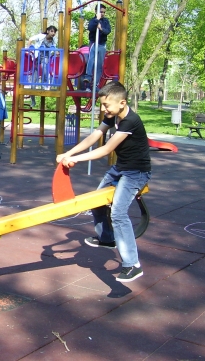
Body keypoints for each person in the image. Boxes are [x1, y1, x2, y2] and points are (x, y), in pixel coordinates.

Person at [55, 82, 151, 283]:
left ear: (122, 103)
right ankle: (107, 239)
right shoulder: (112, 116)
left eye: (107, 105)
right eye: (102, 105)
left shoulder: (130, 121)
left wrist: (75, 159)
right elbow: (95, 136)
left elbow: (106, 149)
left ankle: (132, 265)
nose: (104, 109)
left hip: (136, 173)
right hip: (120, 168)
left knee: (118, 213)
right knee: (96, 202)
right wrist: (68, 153)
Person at [28, 25, 58, 106]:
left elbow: (54, 49)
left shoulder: (54, 40)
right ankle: (33, 100)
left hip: (45, 57)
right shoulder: (41, 36)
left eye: (54, 32)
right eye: (52, 31)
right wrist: (29, 49)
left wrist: (56, 53)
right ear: (48, 31)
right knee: (33, 81)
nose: (53, 33)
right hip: (37, 56)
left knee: (44, 66)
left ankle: (44, 84)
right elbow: (30, 39)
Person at [85, 4, 111, 89]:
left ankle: (95, 84)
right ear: (96, 11)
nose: (102, 14)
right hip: (94, 42)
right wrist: (97, 20)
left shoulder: (105, 21)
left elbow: (108, 31)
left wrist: (101, 29)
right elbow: (90, 28)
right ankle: (88, 77)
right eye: (101, 12)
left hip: (102, 44)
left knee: (99, 65)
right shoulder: (93, 20)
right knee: (91, 60)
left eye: (104, 12)